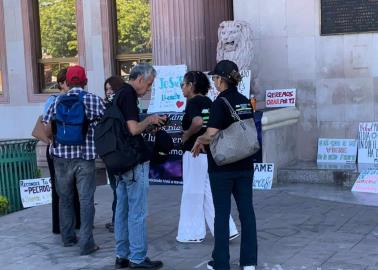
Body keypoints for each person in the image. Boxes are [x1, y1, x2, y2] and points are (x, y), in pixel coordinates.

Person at [192, 60, 258, 270]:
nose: (214, 82)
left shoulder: (220, 103)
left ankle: (221, 263)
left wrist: (198, 141)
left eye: (215, 78)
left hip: (222, 168)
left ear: (221, 79)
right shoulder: (244, 101)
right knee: (247, 213)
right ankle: (249, 263)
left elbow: (211, 134)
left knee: (221, 215)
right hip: (245, 165)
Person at [43, 65, 105, 255]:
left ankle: (68, 237)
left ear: (67, 82)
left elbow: (46, 128)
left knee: (65, 199)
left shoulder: (56, 101)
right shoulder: (93, 100)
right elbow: (106, 120)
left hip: (60, 157)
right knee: (86, 200)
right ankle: (87, 243)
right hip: (84, 157)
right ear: (85, 81)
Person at [177, 71, 239, 243]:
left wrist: (187, 135)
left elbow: (197, 122)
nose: (181, 87)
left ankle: (191, 233)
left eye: (183, 84)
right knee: (209, 193)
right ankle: (227, 230)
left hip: (195, 152)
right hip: (209, 151)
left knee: (192, 192)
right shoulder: (210, 102)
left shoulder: (193, 103)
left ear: (191, 85)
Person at [114, 63, 166, 269]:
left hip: (119, 160)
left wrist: (145, 122)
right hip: (133, 160)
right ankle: (137, 258)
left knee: (122, 209)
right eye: (150, 84)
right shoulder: (128, 95)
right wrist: (150, 120)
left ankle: (122, 255)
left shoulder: (118, 94)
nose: (149, 89)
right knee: (137, 211)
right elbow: (134, 129)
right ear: (140, 79)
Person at [43, 68, 81, 234]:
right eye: (67, 83)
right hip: (57, 150)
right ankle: (60, 226)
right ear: (61, 84)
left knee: (75, 189)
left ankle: (77, 222)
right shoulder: (53, 101)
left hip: (72, 150)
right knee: (60, 191)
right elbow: (47, 128)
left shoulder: (79, 99)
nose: (70, 86)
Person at [103, 76, 125, 233]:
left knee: (118, 188)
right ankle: (116, 219)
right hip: (110, 153)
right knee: (115, 187)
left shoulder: (120, 105)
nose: (109, 92)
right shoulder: (105, 106)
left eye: (111, 89)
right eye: (106, 89)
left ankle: (117, 220)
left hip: (118, 152)